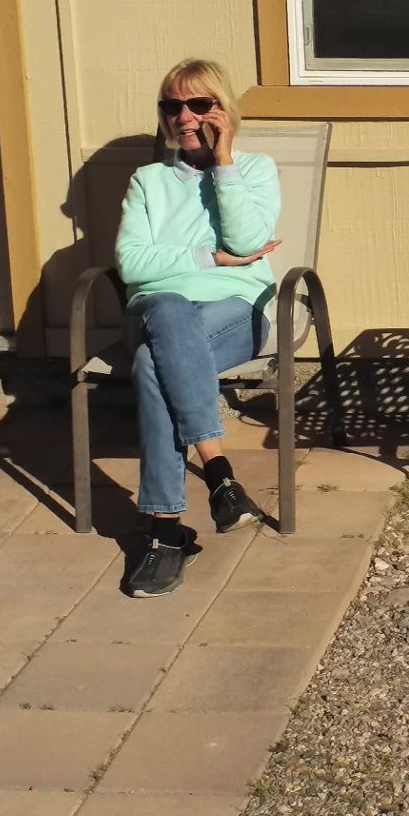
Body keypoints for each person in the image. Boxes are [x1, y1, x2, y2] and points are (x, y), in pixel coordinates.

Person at [115, 58, 282, 598]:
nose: (184, 116)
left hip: (235, 311)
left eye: (199, 104)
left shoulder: (255, 170)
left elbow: (247, 240)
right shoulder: (149, 180)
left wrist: (224, 162)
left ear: (222, 108)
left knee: (151, 363)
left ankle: (165, 534)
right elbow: (131, 264)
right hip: (159, 309)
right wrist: (210, 258)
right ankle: (218, 474)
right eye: (172, 106)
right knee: (167, 307)